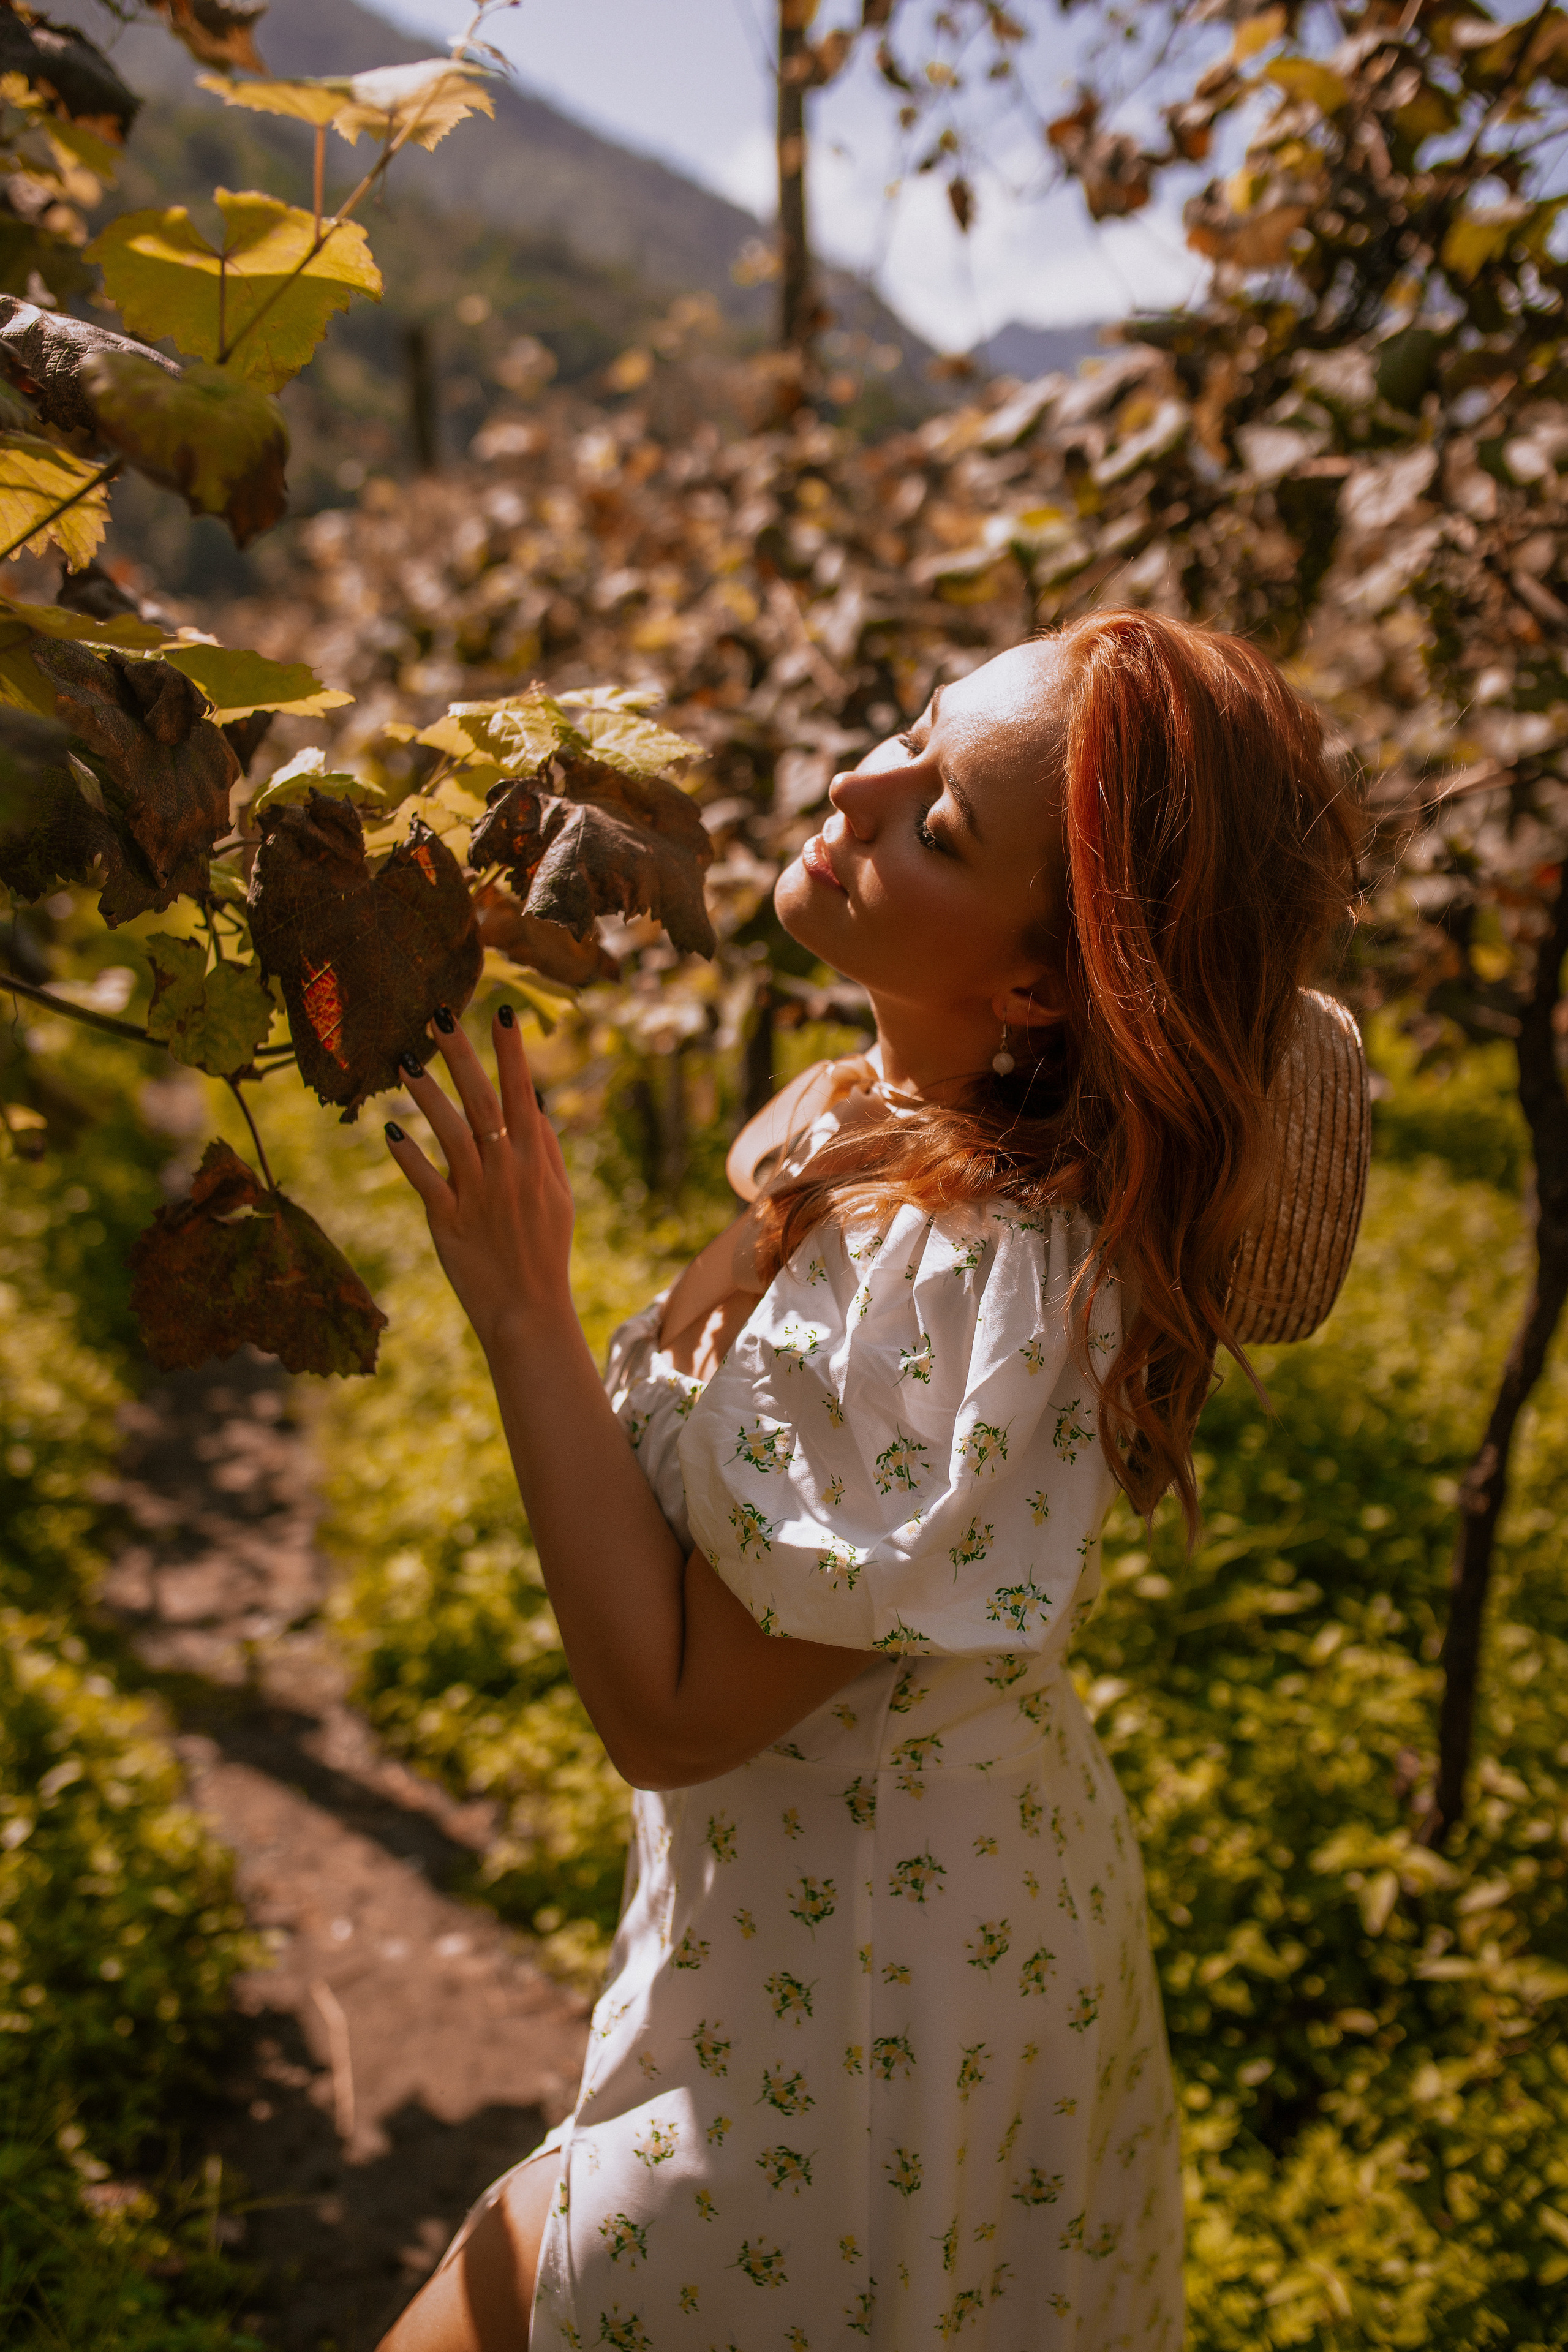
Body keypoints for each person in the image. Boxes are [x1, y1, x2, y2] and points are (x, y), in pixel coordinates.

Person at [376, 611, 1361, 2351]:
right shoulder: (865, 1129)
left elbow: (673, 1711)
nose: (855, 783)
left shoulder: (966, 1280)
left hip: (871, 1997)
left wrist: (526, 1310)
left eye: (942, 825)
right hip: (885, 1928)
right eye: (910, 730)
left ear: (1040, 985)